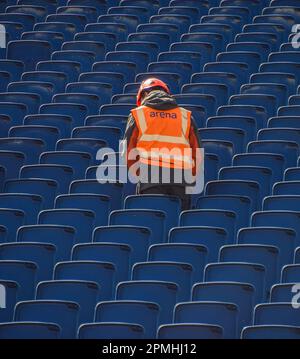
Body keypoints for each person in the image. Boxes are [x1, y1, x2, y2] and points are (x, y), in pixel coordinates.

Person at [122, 77, 202, 210]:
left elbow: (127, 151)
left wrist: (138, 174)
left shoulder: (138, 114)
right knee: (177, 223)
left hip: (150, 178)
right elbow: (197, 154)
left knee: (152, 223)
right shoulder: (185, 116)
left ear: (144, 94)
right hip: (181, 180)